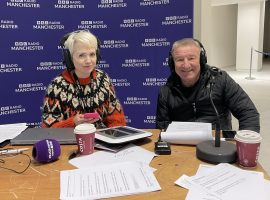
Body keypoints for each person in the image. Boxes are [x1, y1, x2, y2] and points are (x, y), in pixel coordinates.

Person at [156, 38, 260, 132]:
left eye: (191, 58)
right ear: (172, 63)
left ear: (201, 60)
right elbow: (162, 128)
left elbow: (248, 113)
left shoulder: (220, 79)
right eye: (179, 59)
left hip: (217, 143)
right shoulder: (166, 91)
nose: (186, 65)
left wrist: (245, 146)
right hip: (182, 145)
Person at [42, 30, 126, 128]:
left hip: (101, 140)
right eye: (81, 55)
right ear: (69, 58)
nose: (88, 61)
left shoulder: (103, 79)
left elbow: (116, 119)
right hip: (72, 141)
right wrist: (73, 122)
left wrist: (115, 140)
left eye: (92, 54)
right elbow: (49, 130)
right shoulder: (56, 86)